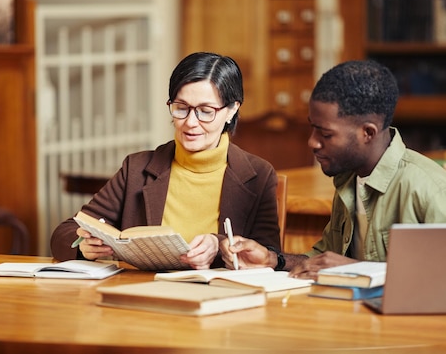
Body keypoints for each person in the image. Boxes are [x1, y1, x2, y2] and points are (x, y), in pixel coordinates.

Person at [221, 60, 446, 279]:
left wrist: (360, 270)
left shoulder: (429, 189)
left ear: (368, 132)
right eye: (312, 128)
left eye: (325, 134)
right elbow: (323, 261)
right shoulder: (349, 179)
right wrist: (273, 260)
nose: (312, 142)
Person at [50, 51, 280, 269]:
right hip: (142, 296)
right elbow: (66, 232)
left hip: (221, 299)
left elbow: (269, 255)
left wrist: (219, 245)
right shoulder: (137, 169)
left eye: (205, 111)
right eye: (181, 108)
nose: (190, 122)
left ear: (231, 110)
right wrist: (84, 248)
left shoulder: (258, 175)